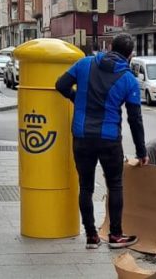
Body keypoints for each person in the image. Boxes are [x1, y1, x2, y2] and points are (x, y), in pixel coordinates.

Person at [55, 33, 148, 250]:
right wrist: (141, 151)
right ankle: (115, 236)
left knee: (85, 186)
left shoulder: (84, 64)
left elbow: (60, 84)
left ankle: (91, 236)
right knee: (115, 185)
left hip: (82, 136)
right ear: (130, 55)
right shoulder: (128, 79)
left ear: (110, 47)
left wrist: (75, 96)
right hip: (109, 140)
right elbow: (135, 119)